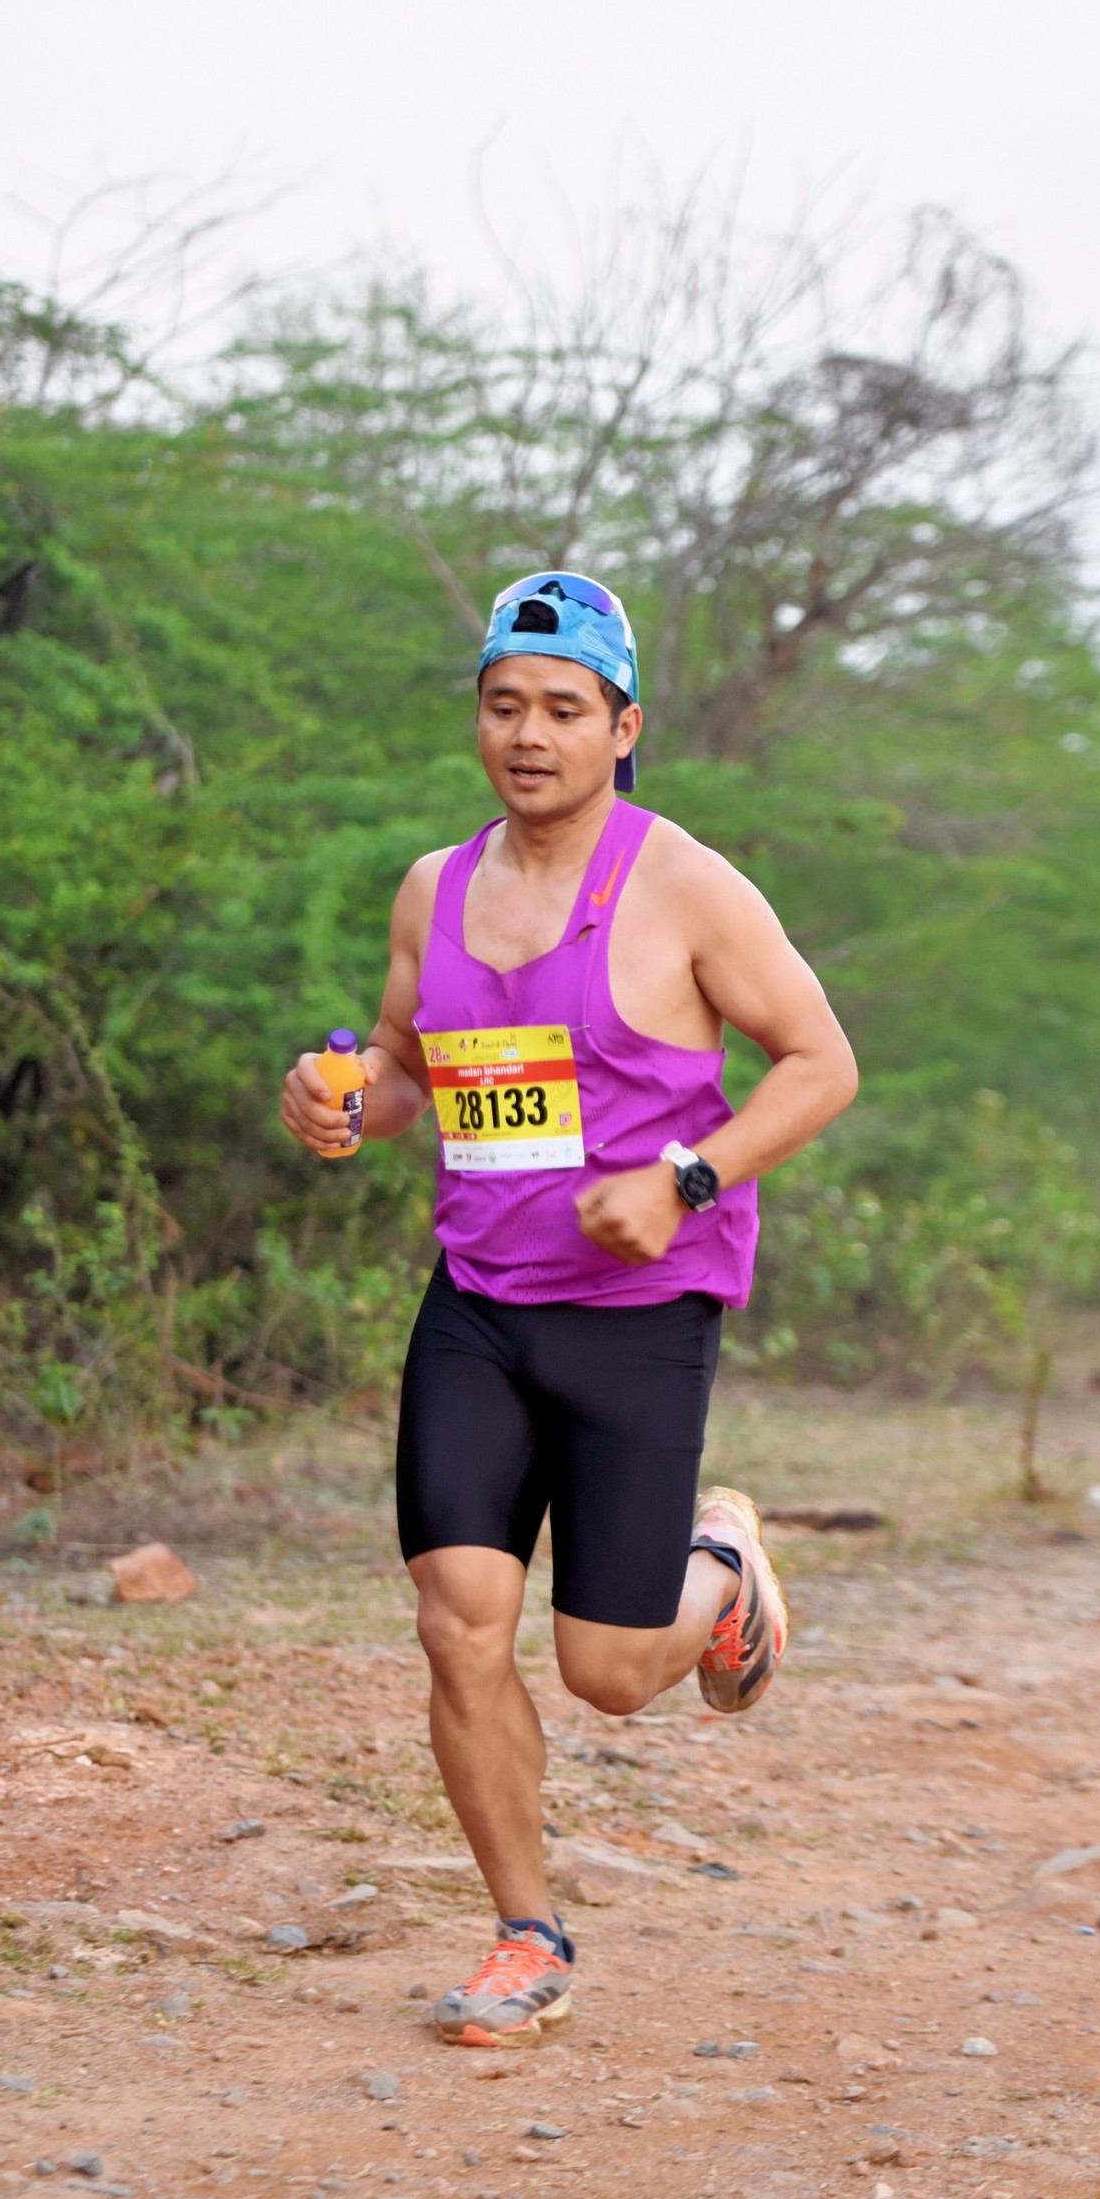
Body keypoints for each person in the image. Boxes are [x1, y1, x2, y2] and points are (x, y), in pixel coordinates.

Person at [281, 571, 857, 2047]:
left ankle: (721, 1569)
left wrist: (685, 1176)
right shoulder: (435, 887)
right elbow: (406, 1069)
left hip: (637, 1312)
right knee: (458, 1623)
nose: (527, 735)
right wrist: (344, 1097)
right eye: (503, 705)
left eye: (561, 709)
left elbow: (820, 1064)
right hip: (478, 1305)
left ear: (622, 727)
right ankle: (523, 1933)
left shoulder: (686, 887)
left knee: (605, 1674)